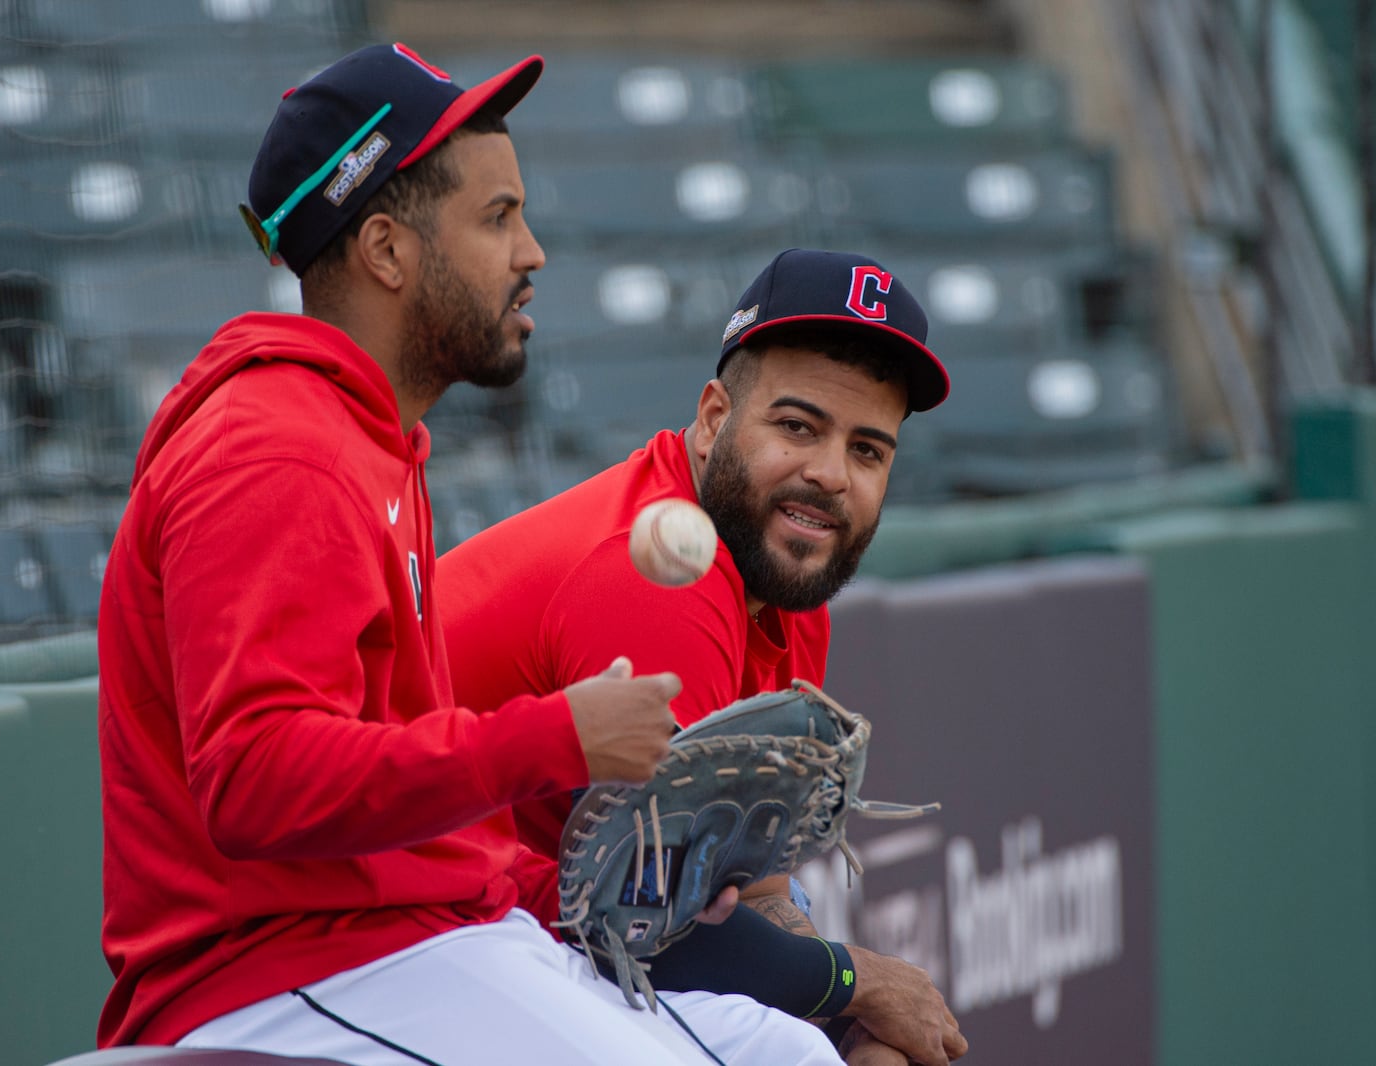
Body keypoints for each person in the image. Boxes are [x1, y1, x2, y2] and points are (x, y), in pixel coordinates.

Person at [95, 43, 845, 1065]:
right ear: (387, 250)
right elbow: (254, 779)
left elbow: (421, 836)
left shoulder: (370, 441)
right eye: (497, 218)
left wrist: (604, 893)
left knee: (790, 1054)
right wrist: (557, 737)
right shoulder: (275, 448)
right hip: (279, 970)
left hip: (410, 940)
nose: (531, 252)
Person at [437, 249, 969, 1066]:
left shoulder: (785, 573)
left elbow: (748, 893)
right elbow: (652, 930)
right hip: (389, 925)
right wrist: (856, 989)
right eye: (798, 427)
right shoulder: (658, 575)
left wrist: (854, 1017)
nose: (829, 475)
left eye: (868, 451)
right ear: (716, 417)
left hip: (530, 917)